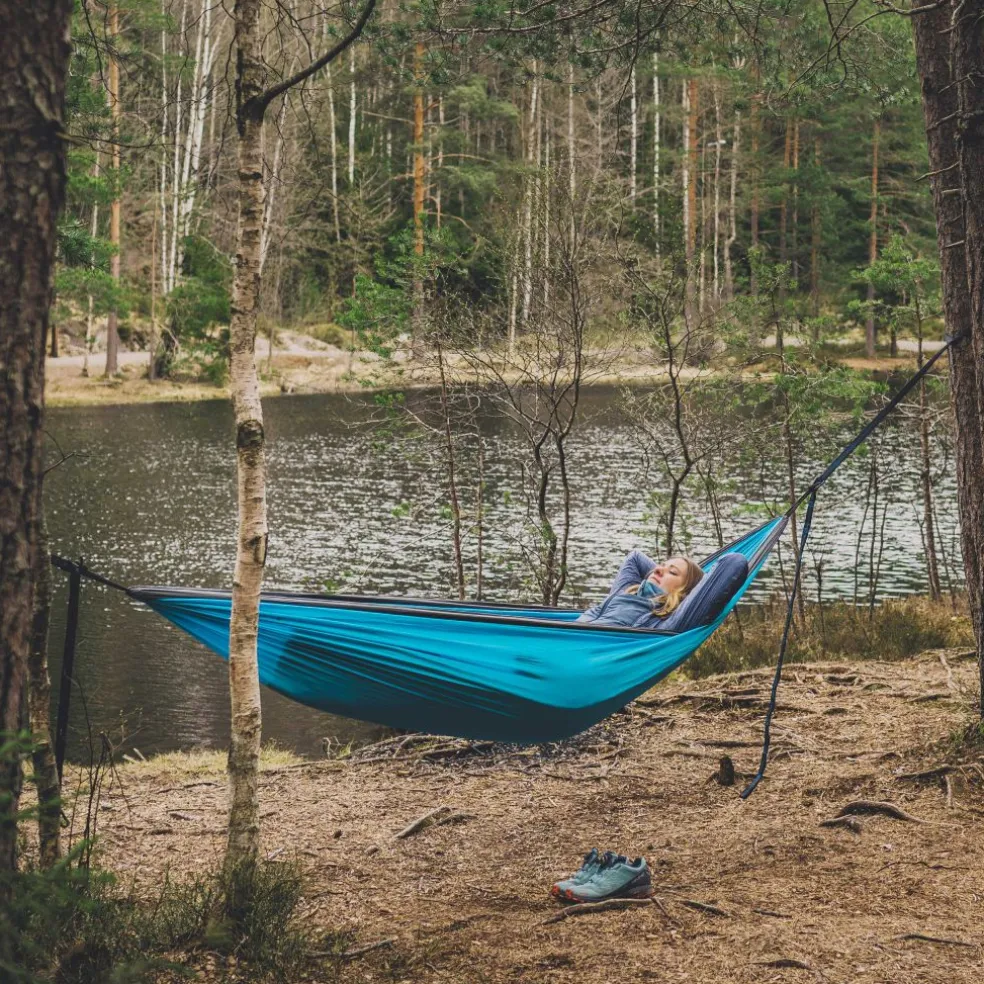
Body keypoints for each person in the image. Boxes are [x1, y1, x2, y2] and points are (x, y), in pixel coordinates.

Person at [577, 550, 705, 629]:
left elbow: (725, 566)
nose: (657, 570)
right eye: (662, 566)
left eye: (672, 572)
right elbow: (635, 557)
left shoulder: (662, 621)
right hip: (567, 634)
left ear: (685, 594)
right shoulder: (627, 591)